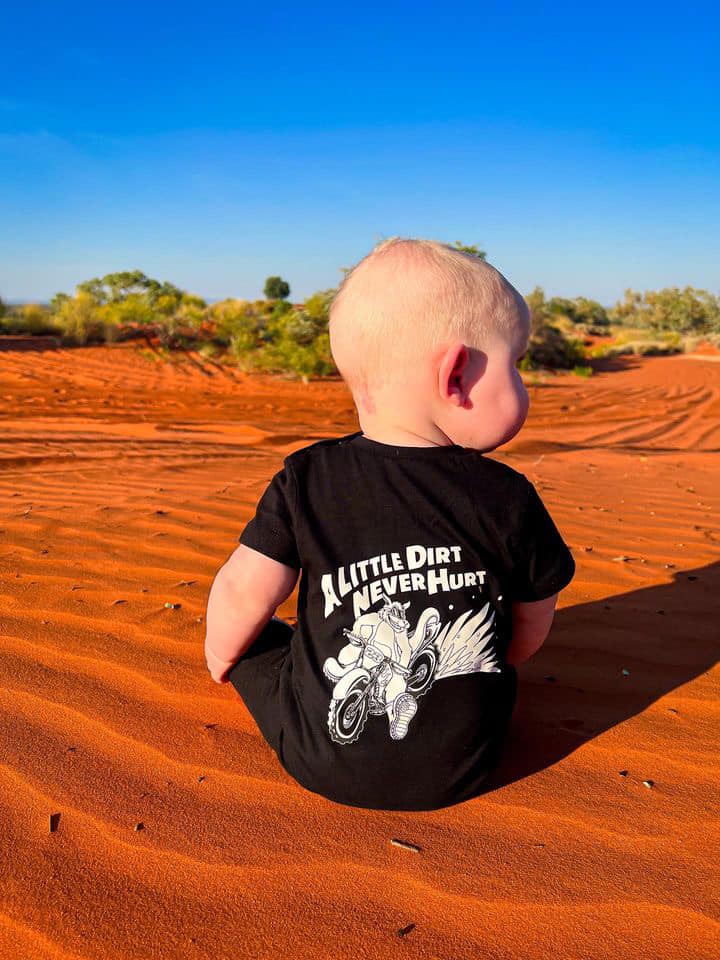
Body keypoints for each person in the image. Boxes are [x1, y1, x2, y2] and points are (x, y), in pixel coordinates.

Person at [204, 237, 576, 811]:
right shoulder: (507, 496)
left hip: (315, 762)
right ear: (456, 377)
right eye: (517, 364)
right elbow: (530, 622)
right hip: (473, 764)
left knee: (263, 640)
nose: (522, 380)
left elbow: (240, 590)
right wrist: (503, 655)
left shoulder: (306, 479)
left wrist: (222, 655)